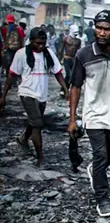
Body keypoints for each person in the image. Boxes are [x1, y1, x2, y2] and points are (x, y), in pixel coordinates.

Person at [68, 10, 110, 218]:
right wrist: (73, 119)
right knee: (100, 155)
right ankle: (102, 199)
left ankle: (95, 170)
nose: (101, 32)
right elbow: (75, 87)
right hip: (94, 115)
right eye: (98, 28)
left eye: (106, 29)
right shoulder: (84, 55)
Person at [0, 27, 69, 166]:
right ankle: (40, 158)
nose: (40, 46)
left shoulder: (48, 54)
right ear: (31, 41)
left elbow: (57, 72)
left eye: (43, 43)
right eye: (37, 43)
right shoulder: (21, 54)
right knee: (37, 124)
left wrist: (65, 88)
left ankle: (23, 139)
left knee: (35, 122)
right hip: (27, 93)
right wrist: (3, 96)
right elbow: (12, 75)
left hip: (41, 94)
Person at [1, 13, 25, 79]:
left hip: (17, 49)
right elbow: (3, 37)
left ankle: (15, 78)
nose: (10, 24)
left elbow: (22, 39)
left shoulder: (19, 29)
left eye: (11, 22)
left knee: (17, 64)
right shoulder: (4, 29)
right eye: (9, 22)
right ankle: (9, 78)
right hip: (8, 49)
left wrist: (22, 49)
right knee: (8, 63)